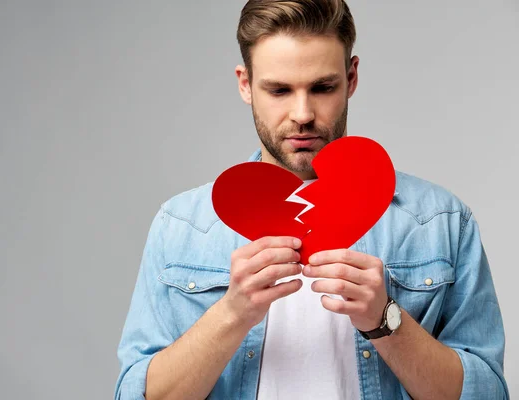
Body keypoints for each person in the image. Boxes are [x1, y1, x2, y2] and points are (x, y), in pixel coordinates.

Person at [114, 1, 509, 399]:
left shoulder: (439, 220)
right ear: (245, 84)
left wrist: (386, 321)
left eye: (322, 87)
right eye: (279, 90)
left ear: (351, 77)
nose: (302, 114)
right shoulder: (182, 225)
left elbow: (489, 393)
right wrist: (232, 314)